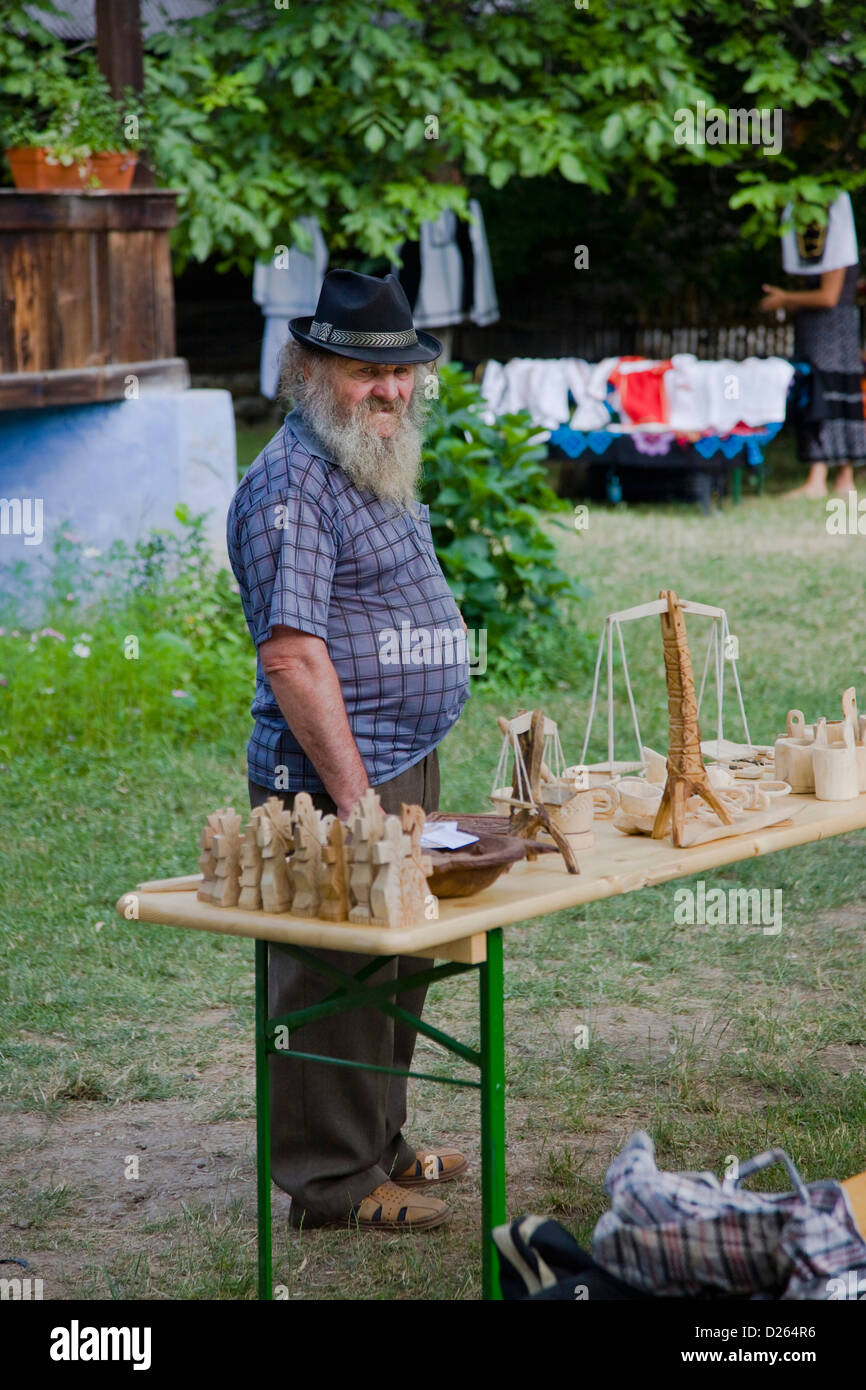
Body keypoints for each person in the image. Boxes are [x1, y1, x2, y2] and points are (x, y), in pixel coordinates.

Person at [226, 269, 471, 1231]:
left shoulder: (365, 459)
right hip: (331, 777)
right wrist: (356, 796)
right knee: (335, 975)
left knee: (396, 963)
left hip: (402, 756)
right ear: (309, 367)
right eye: (366, 373)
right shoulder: (288, 486)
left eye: (403, 372)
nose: (393, 391)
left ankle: (379, 1143)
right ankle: (329, 1181)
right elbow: (291, 655)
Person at [759, 191, 866, 497]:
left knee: (828, 394)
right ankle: (830, 478)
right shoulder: (817, 255)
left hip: (832, 330)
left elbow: (828, 297)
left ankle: (827, 478)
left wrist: (784, 299)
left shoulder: (839, 253)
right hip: (819, 329)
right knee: (827, 394)